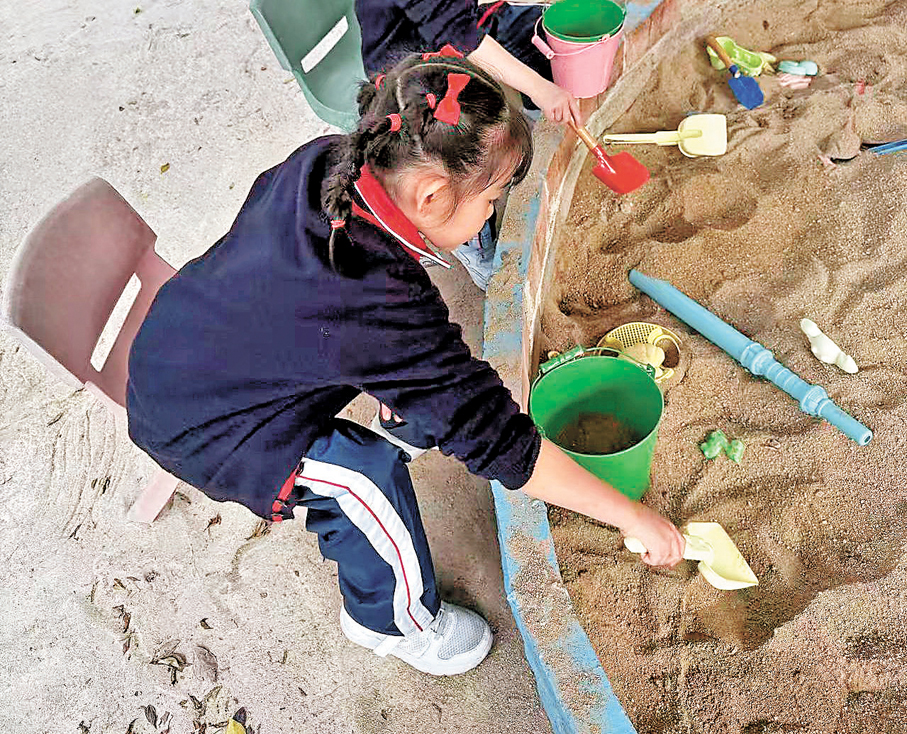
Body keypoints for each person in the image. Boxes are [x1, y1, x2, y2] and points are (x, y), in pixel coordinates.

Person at [126, 54, 683, 678]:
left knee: (417, 384)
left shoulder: (329, 162)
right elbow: (500, 442)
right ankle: (392, 623)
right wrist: (633, 515)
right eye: (493, 199)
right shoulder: (373, 299)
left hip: (186, 336)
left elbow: (348, 327)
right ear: (431, 193)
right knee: (363, 476)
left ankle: (400, 416)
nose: (492, 215)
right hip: (208, 426)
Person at [355, 0, 583, 290]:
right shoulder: (393, 281)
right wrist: (541, 90)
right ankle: (473, 243)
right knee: (463, 170)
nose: (492, 208)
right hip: (412, 70)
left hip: (460, 29)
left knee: (474, 172)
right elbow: (455, 29)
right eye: (491, 201)